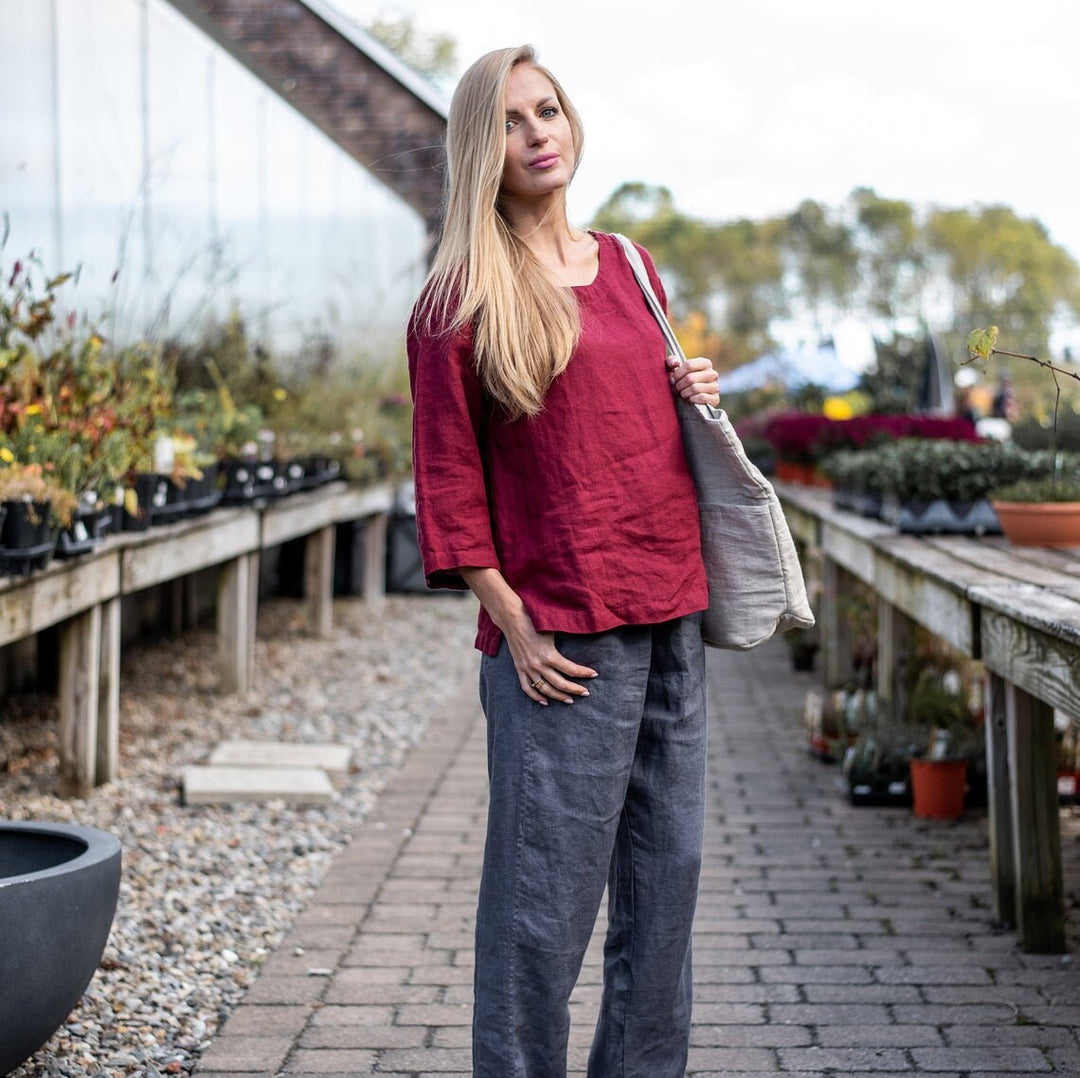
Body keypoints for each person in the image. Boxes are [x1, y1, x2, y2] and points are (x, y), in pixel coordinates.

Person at [407, 45, 720, 1078]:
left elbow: (641, 423)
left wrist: (696, 390)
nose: (539, 131)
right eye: (510, 120)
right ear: (478, 149)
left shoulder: (631, 265)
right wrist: (516, 620)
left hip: (671, 606)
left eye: (549, 110)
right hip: (561, 640)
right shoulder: (456, 299)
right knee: (541, 917)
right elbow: (447, 483)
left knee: (664, 892)